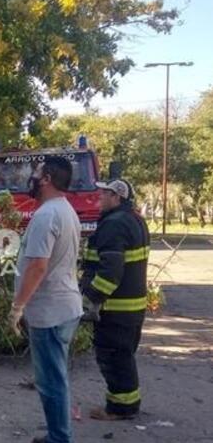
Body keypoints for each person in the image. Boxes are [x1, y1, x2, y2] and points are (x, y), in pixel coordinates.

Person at [9, 157, 82, 443]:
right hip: (64, 306)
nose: (32, 178)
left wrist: (17, 306)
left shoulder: (46, 214)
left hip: (50, 310)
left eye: (36, 173)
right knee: (56, 377)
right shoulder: (65, 210)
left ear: (47, 178)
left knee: (51, 381)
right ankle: (57, 435)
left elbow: (37, 266)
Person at [81, 178, 150, 421]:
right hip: (133, 306)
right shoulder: (135, 221)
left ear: (117, 198)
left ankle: (120, 409)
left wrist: (92, 298)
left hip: (115, 307)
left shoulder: (114, 225)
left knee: (112, 356)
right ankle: (125, 403)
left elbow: (110, 270)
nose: (99, 197)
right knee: (123, 356)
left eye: (104, 194)